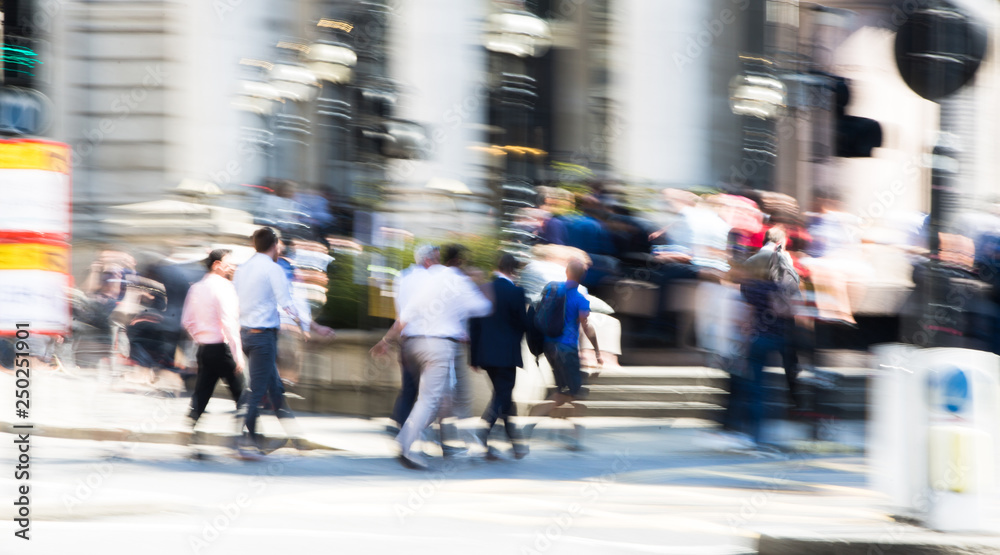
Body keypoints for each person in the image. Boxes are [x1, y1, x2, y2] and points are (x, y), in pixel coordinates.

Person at [376, 245, 493, 469]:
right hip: (438, 346)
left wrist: (387, 340)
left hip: (412, 343)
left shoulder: (419, 279)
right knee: (430, 399)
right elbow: (483, 307)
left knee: (436, 398)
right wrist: (480, 286)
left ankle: (410, 438)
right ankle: (408, 447)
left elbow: (407, 313)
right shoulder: (455, 279)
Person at [234, 227, 335, 456]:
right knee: (256, 391)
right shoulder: (273, 269)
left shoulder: (242, 269)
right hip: (263, 337)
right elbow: (288, 304)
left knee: (275, 389)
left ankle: (295, 439)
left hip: (246, 334)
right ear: (275, 245)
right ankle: (242, 440)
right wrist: (312, 326)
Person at [530, 258, 603, 450]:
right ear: (583, 276)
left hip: (549, 347)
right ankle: (575, 439)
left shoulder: (552, 290)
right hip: (566, 349)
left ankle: (534, 417)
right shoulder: (580, 299)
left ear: (566, 272)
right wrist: (596, 351)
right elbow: (586, 327)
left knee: (563, 392)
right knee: (578, 393)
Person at [180, 249, 246, 447]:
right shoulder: (224, 287)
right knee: (243, 395)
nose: (232, 266)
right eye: (229, 262)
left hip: (204, 349)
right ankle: (244, 442)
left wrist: (201, 338)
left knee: (202, 393)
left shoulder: (196, 288)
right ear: (217, 265)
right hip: (223, 348)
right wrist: (238, 354)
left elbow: (187, 321)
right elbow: (229, 322)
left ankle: (191, 431)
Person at [373, 244, 441, 434]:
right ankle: (409, 430)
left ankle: (399, 421)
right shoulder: (430, 278)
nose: (439, 263)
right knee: (430, 389)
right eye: (437, 259)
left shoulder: (402, 276)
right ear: (428, 261)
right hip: (428, 338)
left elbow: (399, 310)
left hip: (407, 337)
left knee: (410, 385)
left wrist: (389, 339)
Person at [469, 253, 529, 459]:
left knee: (503, 396)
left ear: (498, 266)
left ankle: (515, 444)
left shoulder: (483, 289)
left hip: (485, 354)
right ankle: (483, 432)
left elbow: (474, 325)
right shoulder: (516, 292)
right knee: (503, 395)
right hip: (506, 355)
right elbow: (523, 323)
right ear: (514, 270)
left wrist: (473, 358)